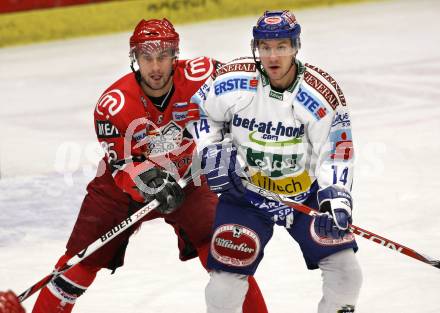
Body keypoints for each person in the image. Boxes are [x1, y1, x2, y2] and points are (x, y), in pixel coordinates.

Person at [28, 18, 268, 313]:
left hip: (189, 176)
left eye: (163, 57)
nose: (155, 67)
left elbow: (249, 98)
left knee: (225, 253)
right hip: (120, 191)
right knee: (80, 262)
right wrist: (149, 180)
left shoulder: (204, 76)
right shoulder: (114, 104)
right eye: (147, 57)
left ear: (175, 56)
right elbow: (122, 164)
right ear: (135, 59)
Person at [194, 10, 363, 313]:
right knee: (223, 286)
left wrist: (335, 198)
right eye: (265, 47)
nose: (273, 56)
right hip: (245, 195)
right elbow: (200, 113)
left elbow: (336, 149)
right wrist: (212, 151)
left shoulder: (320, 93)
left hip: (305, 196)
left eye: (282, 46)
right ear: (255, 48)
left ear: (296, 47)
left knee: (347, 273)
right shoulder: (232, 81)